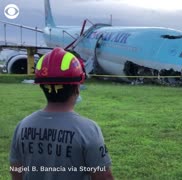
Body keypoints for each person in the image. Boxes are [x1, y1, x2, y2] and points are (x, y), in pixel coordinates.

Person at [9, 47, 114, 180]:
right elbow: (103, 176)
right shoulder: (89, 130)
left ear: (42, 86)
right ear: (77, 87)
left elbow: (16, 171)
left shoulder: (22, 126)